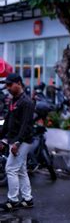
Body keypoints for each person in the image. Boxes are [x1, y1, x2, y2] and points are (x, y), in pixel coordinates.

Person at [0, 73, 35, 211]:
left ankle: (13, 200)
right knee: (20, 170)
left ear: (18, 83)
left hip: (22, 141)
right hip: (15, 140)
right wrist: (2, 138)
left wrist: (17, 142)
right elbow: (8, 121)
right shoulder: (14, 100)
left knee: (11, 169)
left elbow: (26, 125)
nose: (7, 87)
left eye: (10, 84)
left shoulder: (26, 102)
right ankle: (27, 199)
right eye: (6, 85)